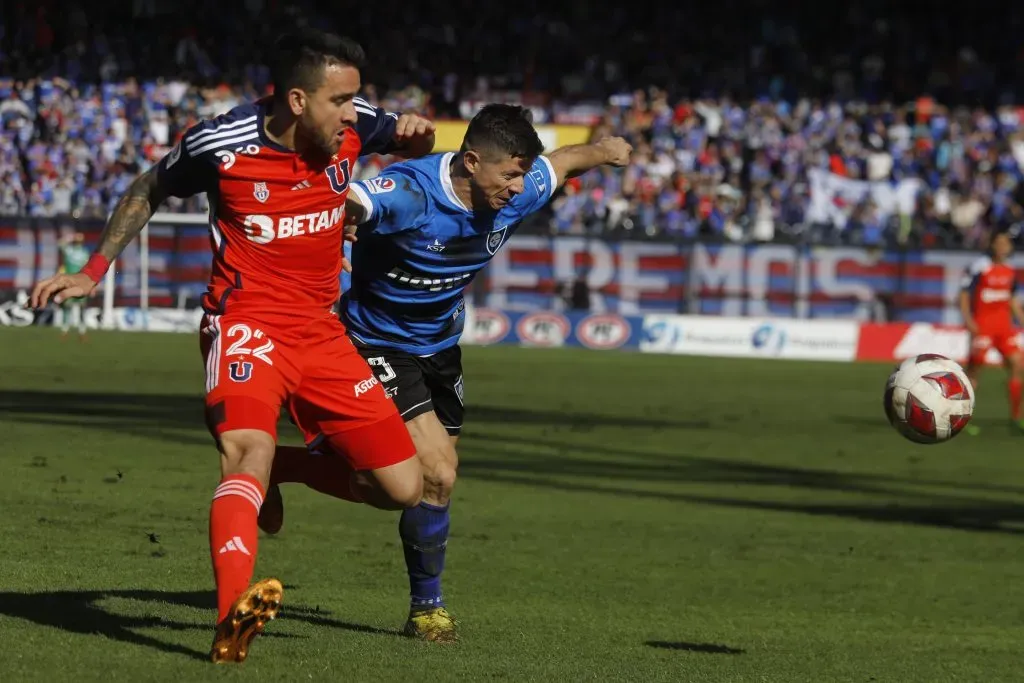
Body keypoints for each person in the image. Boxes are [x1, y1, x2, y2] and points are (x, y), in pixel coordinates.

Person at [30, 28, 437, 664]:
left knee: (402, 487)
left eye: (359, 101)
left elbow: (415, 138)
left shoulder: (356, 127)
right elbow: (148, 186)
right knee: (246, 454)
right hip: (245, 324)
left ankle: (286, 468)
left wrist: (420, 134)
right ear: (298, 101)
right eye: (342, 100)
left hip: (323, 332)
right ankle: (231, 622)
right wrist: (92, 271)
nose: (355, 113)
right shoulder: (222, 142)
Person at [261, 103, 632, 642]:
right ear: (472, 161)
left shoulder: (520, 185)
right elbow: (348, 204)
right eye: (509, 174)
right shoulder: (411, 192)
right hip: (376, 341)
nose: (519, 186)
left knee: (415, 484)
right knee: (436, 473)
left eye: (523, 173)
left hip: (441, 347)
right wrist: (333, 233)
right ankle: (426, 610)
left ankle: (286, 466)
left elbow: (566, 161)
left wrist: (608, 151)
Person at [959, 230, 1024, 434]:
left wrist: (1021, 317)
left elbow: (1011, 299)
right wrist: (969, 320)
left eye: (1006, 243)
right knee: (974, 371)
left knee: (1017, 364)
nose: (1003, 247)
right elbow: (963, 294)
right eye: (1000, 242)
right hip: (983, 327)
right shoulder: (979, 267)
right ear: (993, 245)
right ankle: (961, 418)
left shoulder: (1010, 270)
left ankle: (1015, 418)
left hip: (1004, 328)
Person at [56, 232, 91, 339]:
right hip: (72, 283)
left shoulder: (84, 252)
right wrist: (70, 237)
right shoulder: (71, 250)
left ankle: (80, 332)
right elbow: (60, 243)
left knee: (79, 307)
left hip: (78, 283)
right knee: (70, 307)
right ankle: (67, 331)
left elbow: (88, 269)